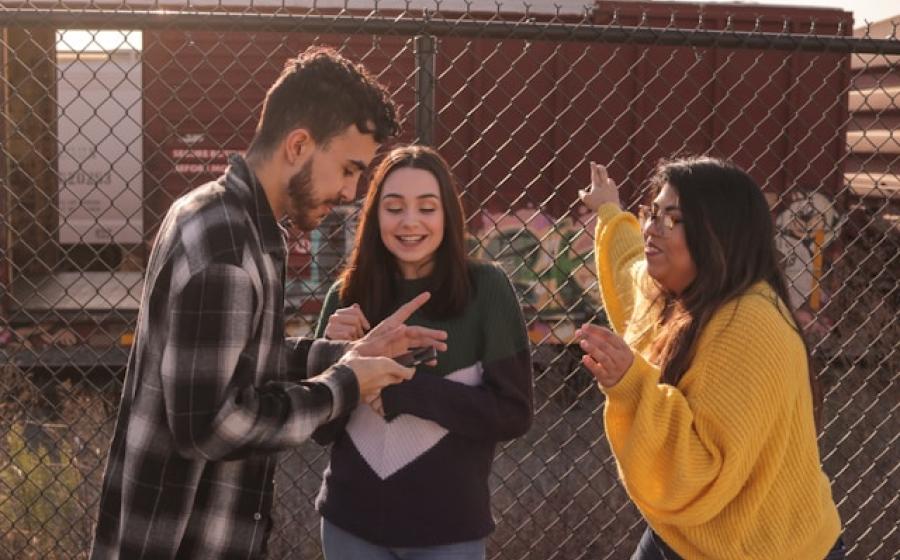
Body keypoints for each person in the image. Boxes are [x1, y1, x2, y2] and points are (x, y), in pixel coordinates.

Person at [90, 47, 448, 560]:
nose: (351, 192)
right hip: (183, 542)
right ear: (299, 144)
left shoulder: (217, 216)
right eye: (348, 169)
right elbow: (214, 425)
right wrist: (347, 385)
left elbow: (235, 358)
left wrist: (350, 355)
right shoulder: (228, 249)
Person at [577, 157, 844, 560]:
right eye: (653, 213)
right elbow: (628, 269)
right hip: (695, 533)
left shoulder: (748, 324)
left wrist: (631, 384)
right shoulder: (677, 295)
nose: (651, 227)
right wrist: (610, 210)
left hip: (763, 548)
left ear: (719, 232)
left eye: (673, 218)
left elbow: (702, 469)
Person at [312, 145, 534, 559]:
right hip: (349, 529)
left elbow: (513, 413)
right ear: (375, 215)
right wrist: (332, 356)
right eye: (394, 207)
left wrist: (405, 390)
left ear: (448, 215)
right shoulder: (345, 296)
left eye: (427, 207)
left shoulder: (487, 289)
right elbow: (319, 430)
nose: (410, 222)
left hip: (449, 532)